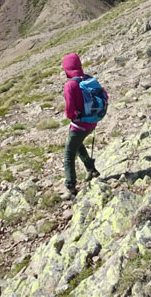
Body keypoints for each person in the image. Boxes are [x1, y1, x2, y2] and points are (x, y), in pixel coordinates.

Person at [61, 53, 102, 199]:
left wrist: (73, 116)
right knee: (77, 145)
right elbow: (105, 97)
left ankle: (70, 187)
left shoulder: (70, 85)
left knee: (68, 154)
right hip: (93, 122)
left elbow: (69, 111)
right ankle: (91, 169)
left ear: (67, 69)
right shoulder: (89, 79)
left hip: (79, 125)